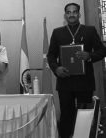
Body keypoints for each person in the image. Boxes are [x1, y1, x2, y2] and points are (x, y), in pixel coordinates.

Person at [47, 3, 106, 138]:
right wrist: (56, 69)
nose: (71, 14)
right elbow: (51, 55)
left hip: (84, 82)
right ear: (65, 15)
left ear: (79, 14)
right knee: (66, 115)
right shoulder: (57, 32)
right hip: (64, 81)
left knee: (85, 115)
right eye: (68, 12)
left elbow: (102, 51)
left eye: (74, 12)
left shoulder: (89, 30)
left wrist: (89, 56)